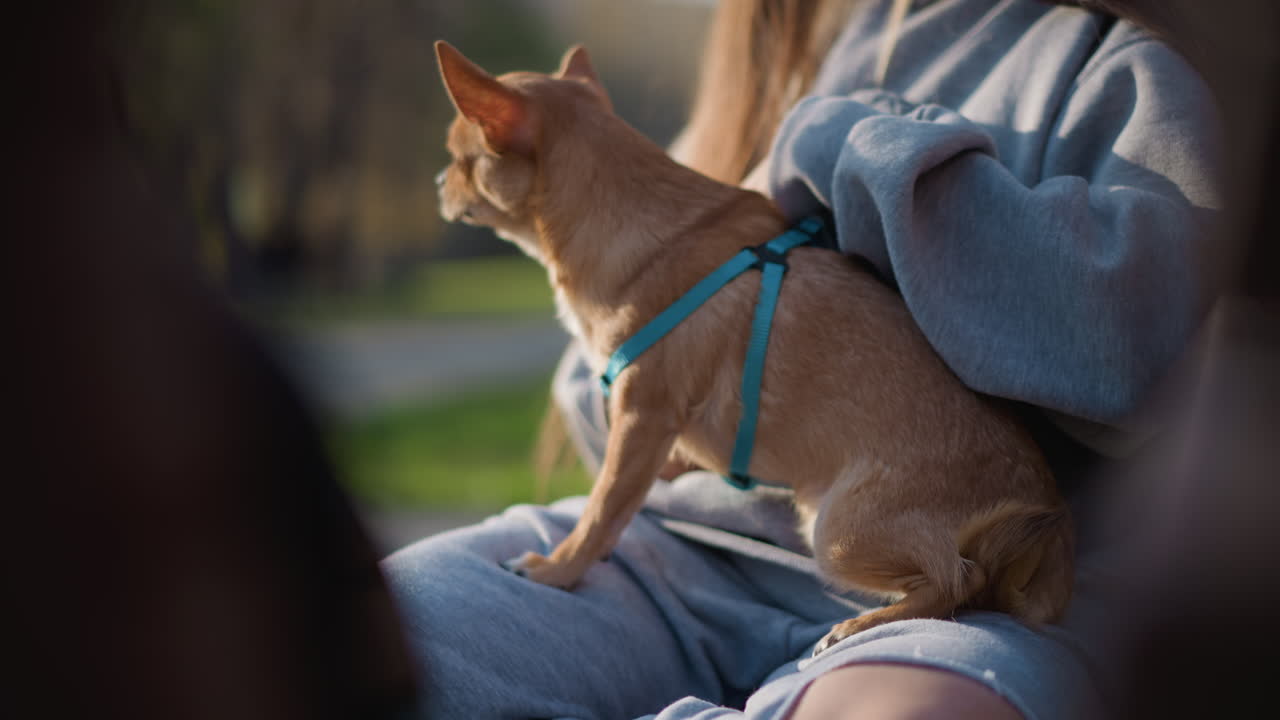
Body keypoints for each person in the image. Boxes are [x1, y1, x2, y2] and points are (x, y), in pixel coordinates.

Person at [380, 0, 1224, 717]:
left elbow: (1145, 345)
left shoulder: (1132, 65)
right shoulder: (791, 34)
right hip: (677, 551)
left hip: (964, 595)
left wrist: (850, 149)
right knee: (357, 637)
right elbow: (624, 401)